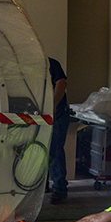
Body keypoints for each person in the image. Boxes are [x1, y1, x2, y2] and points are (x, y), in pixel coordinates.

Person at [48, 57, 69, 204]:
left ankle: (60, 190)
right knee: (39, 151)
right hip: (40, 113)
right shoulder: (28, 66)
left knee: (54, 150)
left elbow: (61, 82)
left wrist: (53, 105)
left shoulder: (50, 63)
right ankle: (41, 187)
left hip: (57, 113)